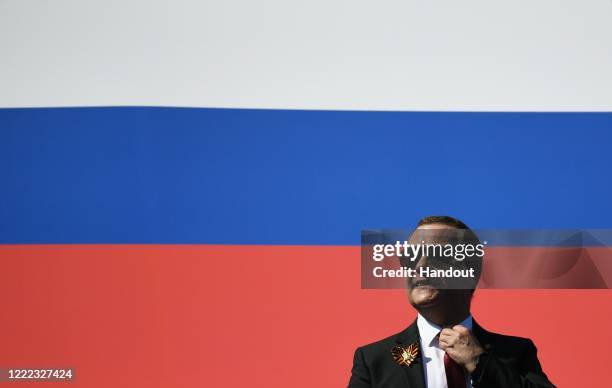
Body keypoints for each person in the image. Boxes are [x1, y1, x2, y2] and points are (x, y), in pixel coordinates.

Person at [348, 216, 555, 388]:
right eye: (410, 258)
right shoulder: (374, 360)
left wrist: (480, 362)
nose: (419, 266)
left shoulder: (515, 353)